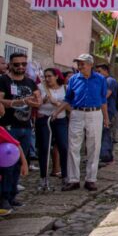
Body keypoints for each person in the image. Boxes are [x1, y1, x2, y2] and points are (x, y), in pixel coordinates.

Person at [53, 54, 107, 191]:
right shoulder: (73, 80)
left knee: (94, 146)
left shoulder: (100, 79)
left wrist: (106, 118)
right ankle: (73, 179)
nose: (80, 66)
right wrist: (57, 111)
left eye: (82, 63)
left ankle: (91, 179)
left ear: (90, 65)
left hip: (95, 113)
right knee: (73, 146)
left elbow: (103, 101)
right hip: (77, 113)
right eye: (78, 63)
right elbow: (67, 99)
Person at [0, 52, 41, 209]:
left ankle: (12, 195)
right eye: (17, 64)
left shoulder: (30, 82)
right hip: (9, 126)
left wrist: (35, 102)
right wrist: (21, 101)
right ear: (10, 65)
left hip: (26, 126)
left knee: (19, 164)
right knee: (7, 164)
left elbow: (38, 100)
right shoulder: (3, 80)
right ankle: (4, 197)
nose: (21, 67)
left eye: (24, 64)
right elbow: (0, 100)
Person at [35, 68, 69, 188]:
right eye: (46, 76)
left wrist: (57, 104)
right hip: (44, 118)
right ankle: (43, 177)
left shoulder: (65, 88)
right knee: (44, 147)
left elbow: (70, 106)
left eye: (50, 76)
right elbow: (36, 102)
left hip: (60, 119)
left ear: (56, 76)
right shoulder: (40, 87)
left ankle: (65, 175)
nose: (47, 79)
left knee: (63, 146)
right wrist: (43, 100)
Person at [95, 64, 118, 163]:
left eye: (99, 71)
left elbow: (105, 95)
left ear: (105, 71)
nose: (97, 73)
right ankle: (106, 154)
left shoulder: (109, 81)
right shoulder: (102, 81)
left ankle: (105, 155)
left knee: (105, 132)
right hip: (103, 110)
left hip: (108, 111)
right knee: (103, 133)